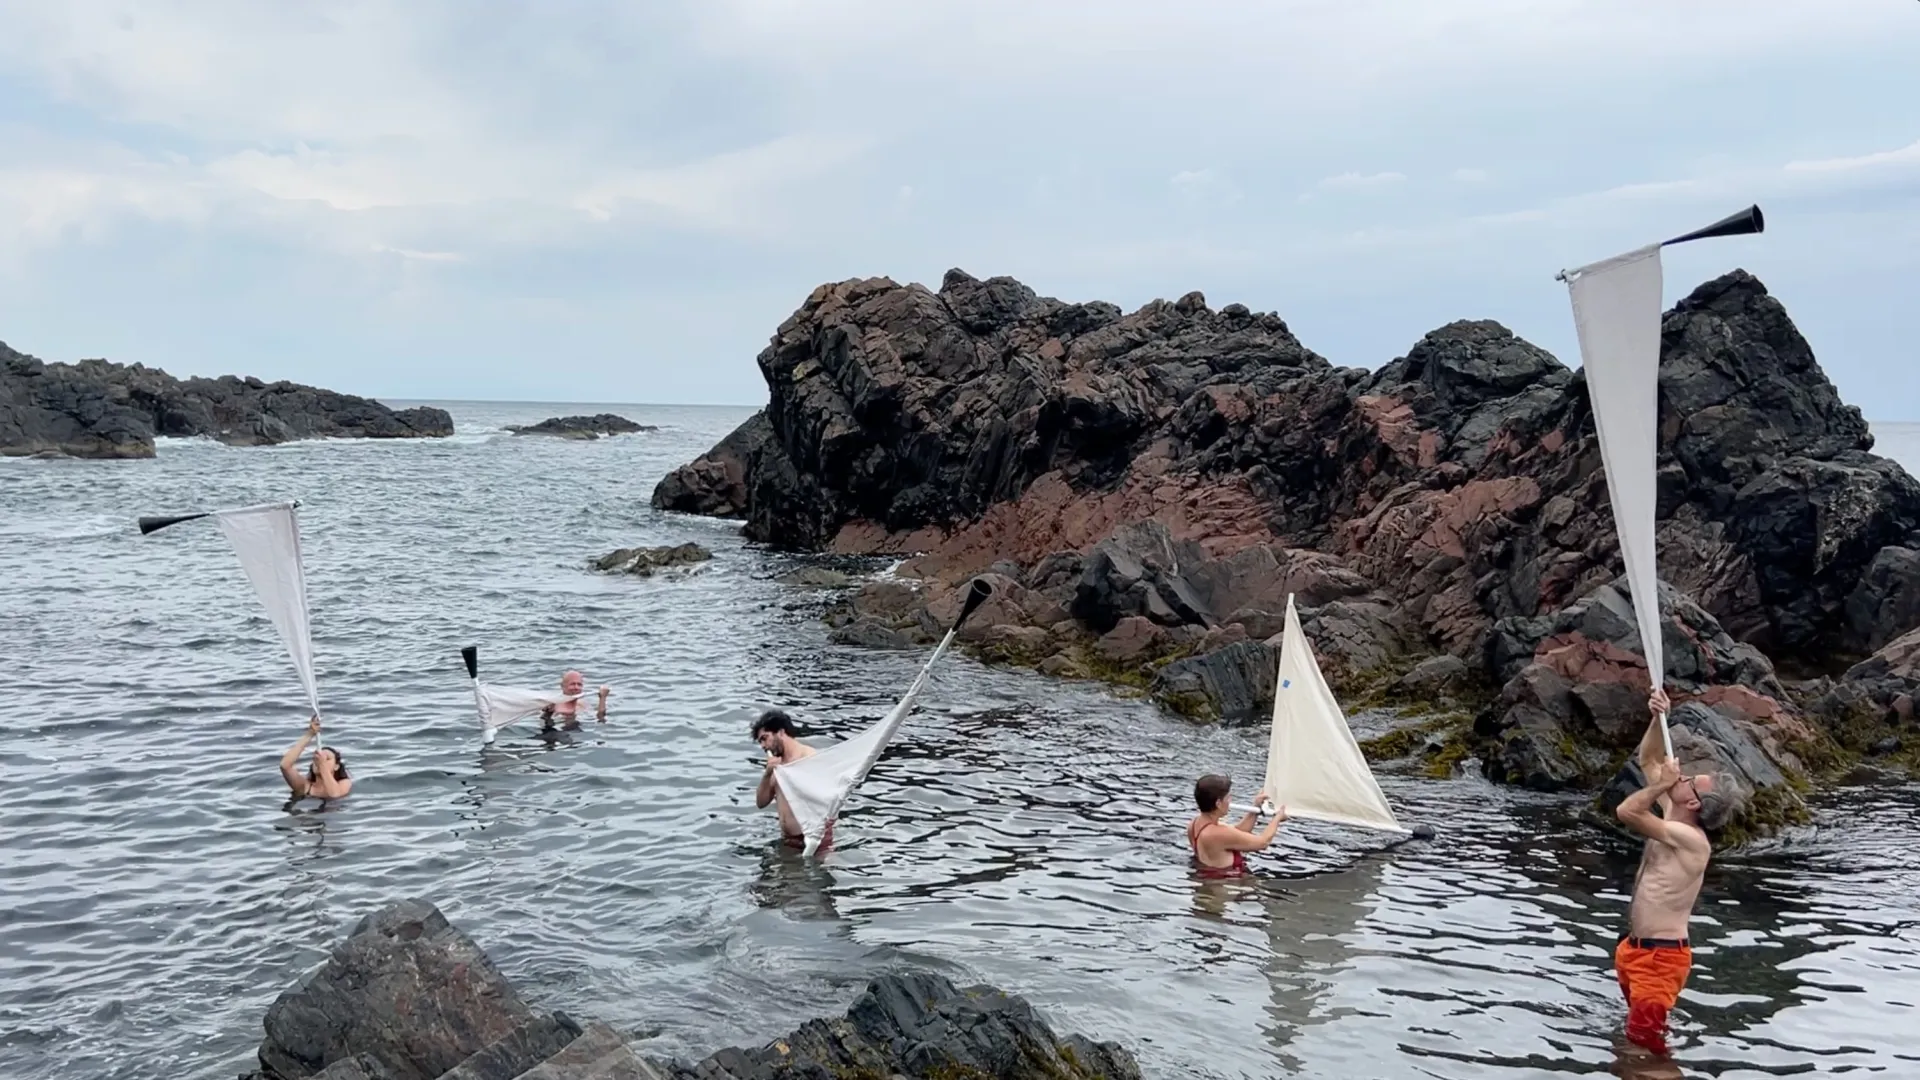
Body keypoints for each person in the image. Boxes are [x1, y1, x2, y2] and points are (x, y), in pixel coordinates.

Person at [1611, 685, 1729, 1060]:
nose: (1682, 777)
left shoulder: (1691, 839)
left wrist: (1663, 783)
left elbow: (1627, 812)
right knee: (1637, 1047)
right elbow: (1649, 758)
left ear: (1693, 801)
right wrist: (1657, 715)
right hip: (1635, 952)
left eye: (1689, 781)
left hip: (1660, 960)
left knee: (1644, 1051)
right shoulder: (1670, 810)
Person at [1185, 774, 1286, 877]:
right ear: (1218, 803)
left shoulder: (1194, 824)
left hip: (1208, 883)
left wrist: (1255, 809)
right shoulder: (1217, 833)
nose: (1230, 801)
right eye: (1228, 798)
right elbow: (1263, 843)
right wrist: (1277, 819)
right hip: (1224, 887)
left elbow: (1239, 833)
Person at [751, 709, 818, 848]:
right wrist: (767, 773)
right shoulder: (775, 765)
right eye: (760, 742)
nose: (763, 746)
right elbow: (761, 803)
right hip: (787, 840)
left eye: (765, 738)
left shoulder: (809, 757)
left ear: (781, 733)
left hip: (813, 838)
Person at [280, 716, 352, 802]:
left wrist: (322, 766)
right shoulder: (305, 787)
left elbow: (335, 795)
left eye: (327, 758)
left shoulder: (344, 783)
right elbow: (285, 766)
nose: (319, 761)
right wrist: (309, 734)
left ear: (336, 766)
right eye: (316, 758)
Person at [540, 670, 609, 733]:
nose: (576, 687)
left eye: (579, 684)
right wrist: (548, 714)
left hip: (581, 731)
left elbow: (600, 718)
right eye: (572, 684)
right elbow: (544, 723)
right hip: (559, 732)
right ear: (563, 686)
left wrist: (602, 698)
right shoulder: (554, 705)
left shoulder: (582, 704)